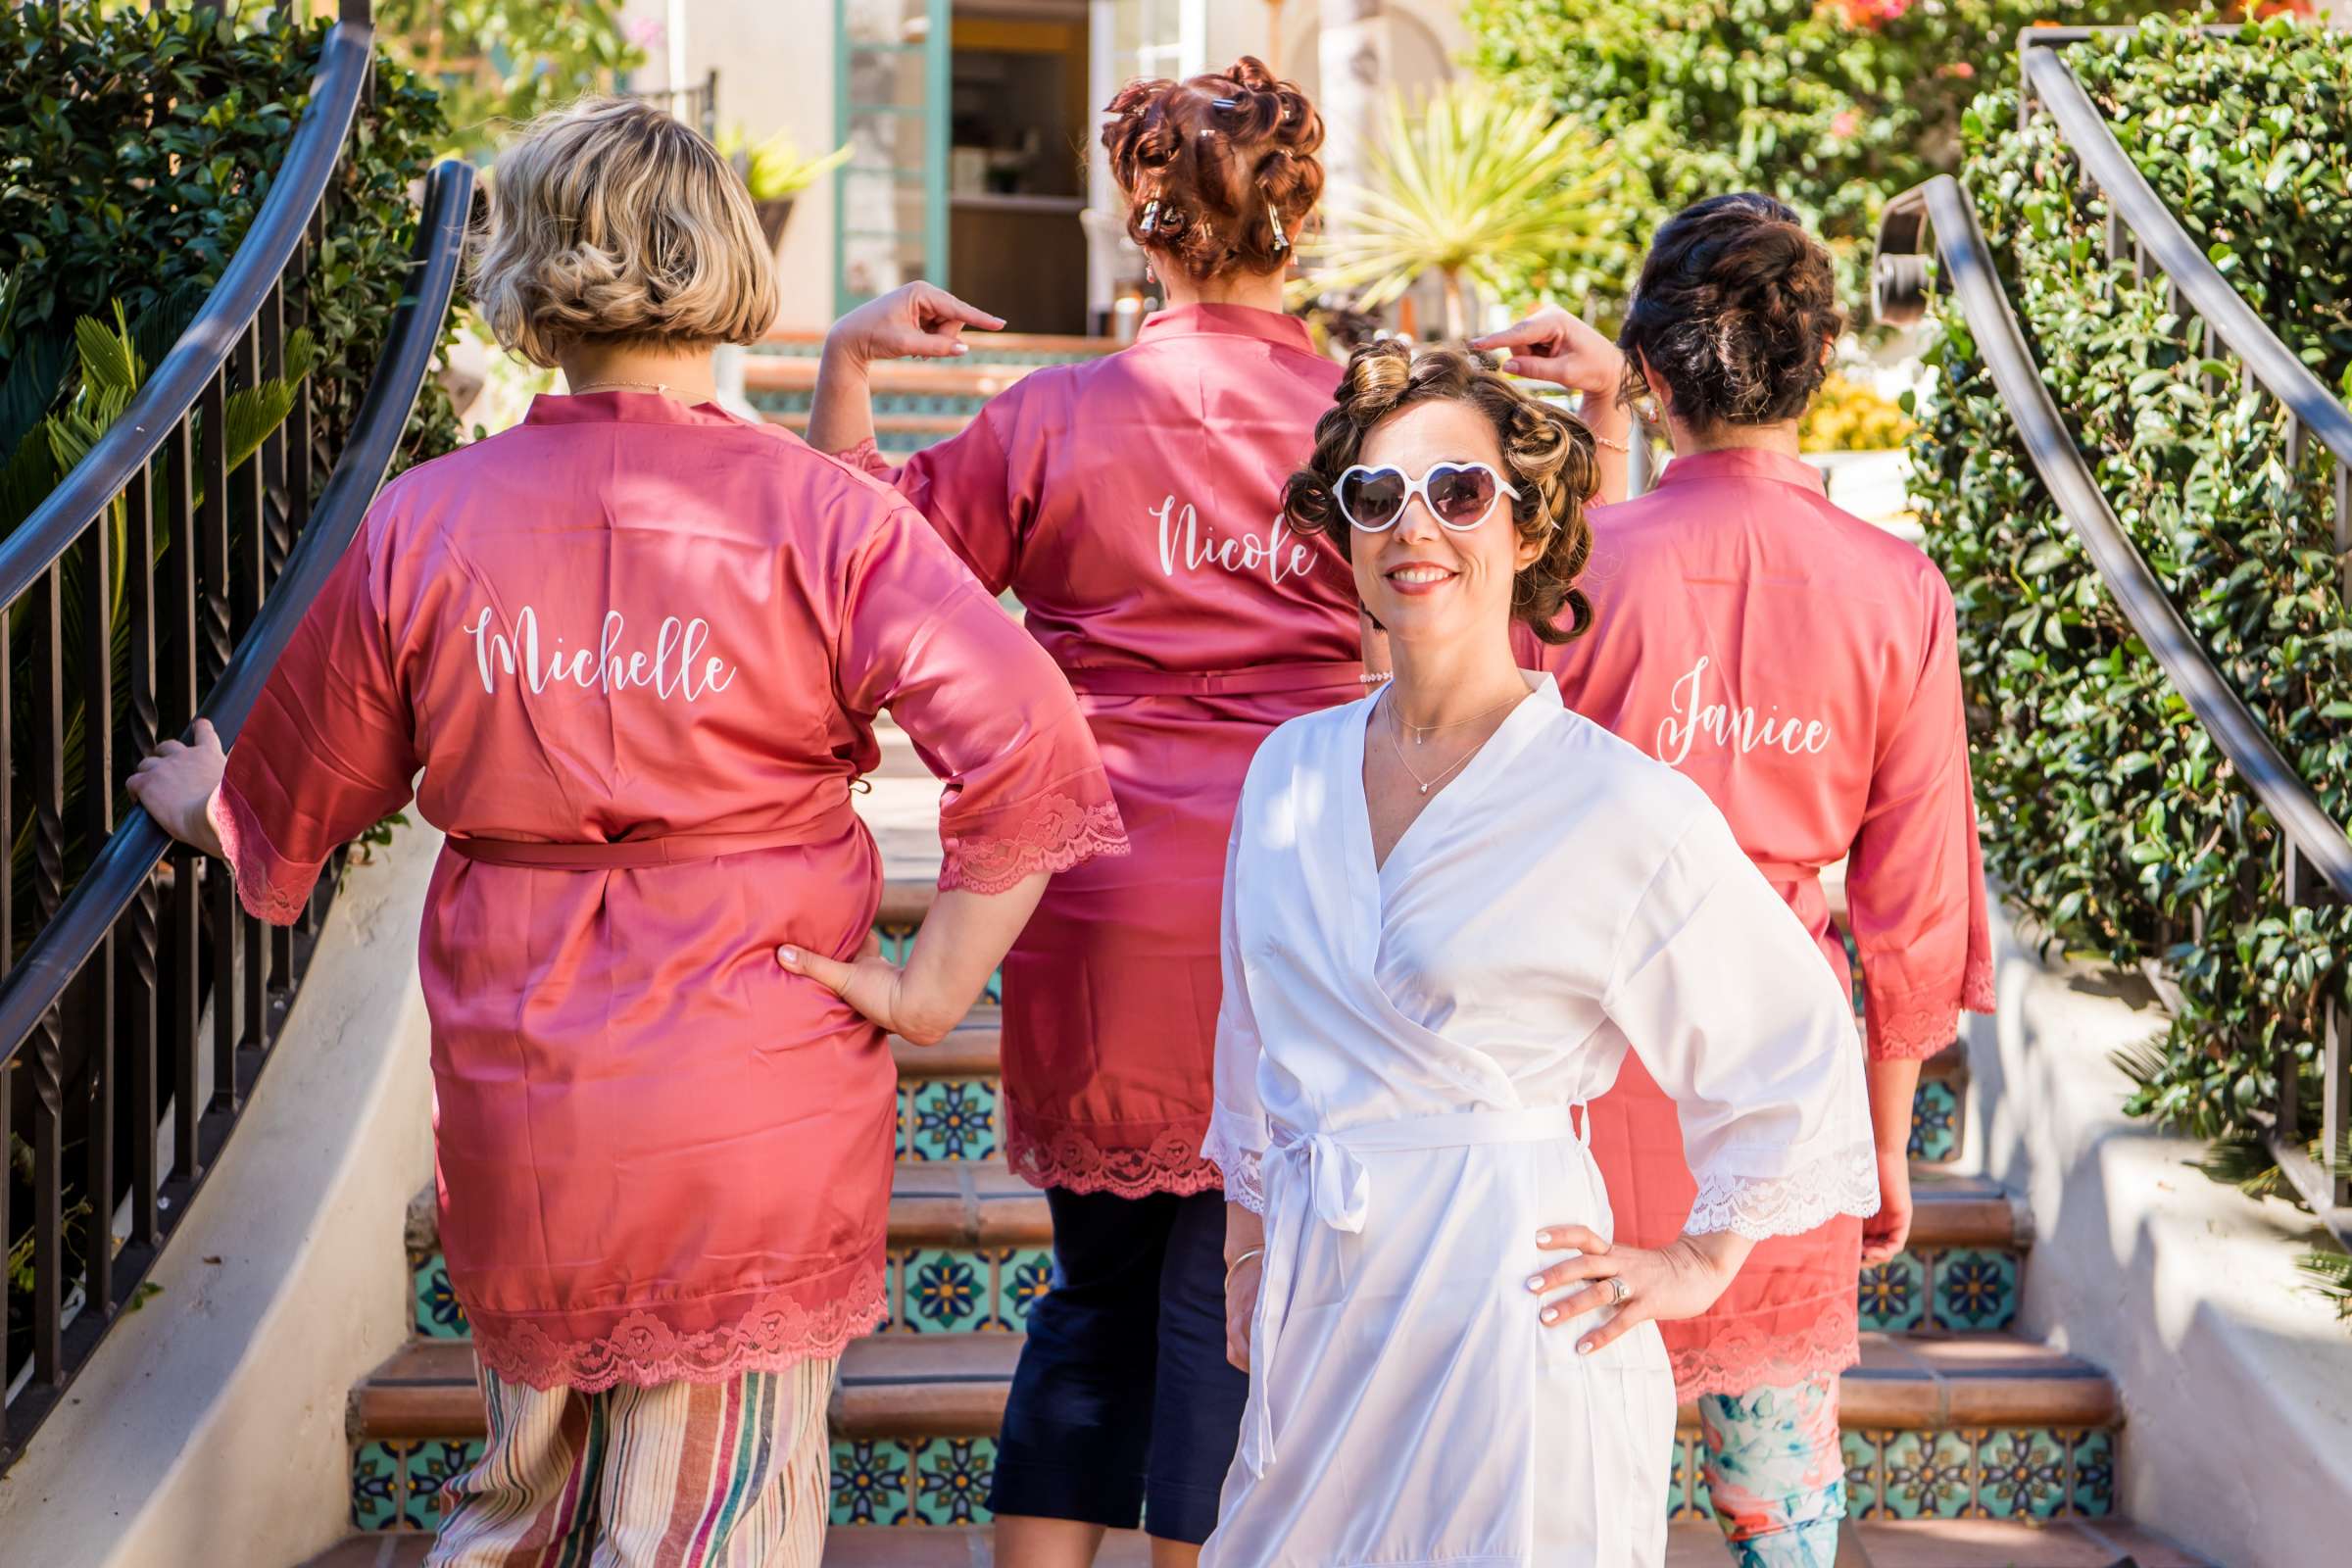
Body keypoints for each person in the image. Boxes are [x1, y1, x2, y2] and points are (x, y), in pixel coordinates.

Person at [123, 98, 1128, 1568]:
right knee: (708, 1517)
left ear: (530, 271)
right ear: (719, 260)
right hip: (754, 1084)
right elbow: (1034, 744)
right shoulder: (825, 520)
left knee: (523, 1501)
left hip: (531, 1091)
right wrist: (929, 987)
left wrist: (202, 806)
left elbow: (292, 799)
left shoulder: (426, 522)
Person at [807, 57, 1625, 1567]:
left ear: (1145, 220)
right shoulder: (1371, 429)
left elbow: (864, 573)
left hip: (1095, 890)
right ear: (1297, 217)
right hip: (1303, 884)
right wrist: (1606, 428)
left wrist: (847, 377)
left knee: (1093, 1299)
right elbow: (1522, 625)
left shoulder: (1052, 416)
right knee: (1234, 1307)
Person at [1202, 340, 1878, 1567]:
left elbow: (1792, 1038)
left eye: (1459, 491)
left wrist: (1696, 1257)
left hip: (1510, 1318)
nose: (1418, 526)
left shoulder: (1615, 804)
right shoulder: (1286, 772)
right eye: (1378, 496)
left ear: (1526, 529)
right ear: (1347, 537)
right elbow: (1252, 1031)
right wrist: (1249, 1248)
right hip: (1324, 1314)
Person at [1476, 193, 1996, 1565]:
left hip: (1582, 1069)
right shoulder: (1898, 587)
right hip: (1785, 1067)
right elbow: (1917, 902)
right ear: (1817, 371)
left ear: (1649, 376)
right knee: (1778, 1484)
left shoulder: (1569, 582)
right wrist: (1884, 1136)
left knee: (1575, 1468)